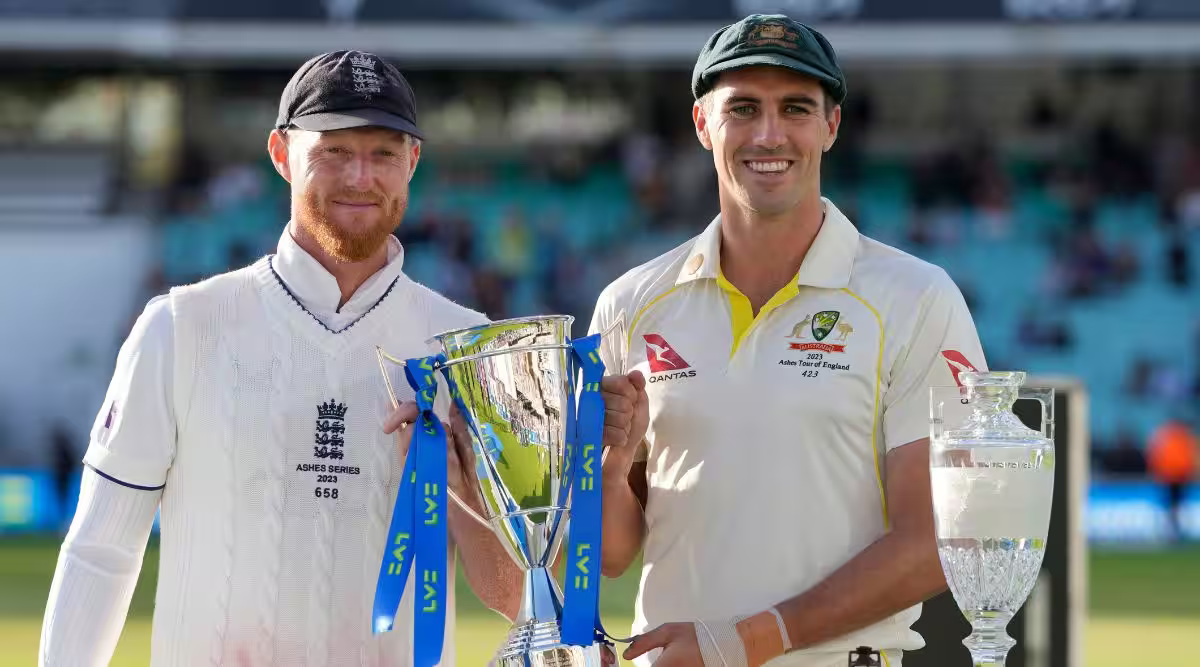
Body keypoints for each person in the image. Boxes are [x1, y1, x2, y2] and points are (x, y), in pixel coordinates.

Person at [38, 50, 522, 666]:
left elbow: (514, 594)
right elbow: (100, 551)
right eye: (335, 152)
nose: (360, 177)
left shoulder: (469, 346)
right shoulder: (181, 327)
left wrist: (462, 489)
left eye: (383, 154)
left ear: (413, 162)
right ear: (281, 154)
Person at [591, 15, 988, 667]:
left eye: (795, 108)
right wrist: (612, 464)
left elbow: (938, 538)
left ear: (830, 126)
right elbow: (609, 553)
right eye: (743, 108)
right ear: (702, 124)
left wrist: (741, 642)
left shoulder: (916, 297)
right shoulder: (631, 302)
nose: (768, 134)